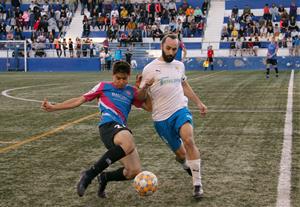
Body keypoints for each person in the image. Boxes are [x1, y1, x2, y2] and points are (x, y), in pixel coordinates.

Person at [41, 61, 153, 198]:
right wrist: (54, 107)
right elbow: (79, 100)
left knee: (134, 171)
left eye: (124, 79)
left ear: (129, 76)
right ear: (113, 76)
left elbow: (149, 107)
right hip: (108, 127)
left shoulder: (131, 91)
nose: (121, 82)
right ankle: (89, 174)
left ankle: (104, 177)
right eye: (118, 78)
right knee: (128, 141)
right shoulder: (103, 86)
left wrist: (143, 88)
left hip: (121, 130)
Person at [138, 34, 207, 199]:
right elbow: (141, 99)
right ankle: (184, 163)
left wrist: (198, 102)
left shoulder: (179, 66)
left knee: (189, 139)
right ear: (162, 46)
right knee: (181, 154)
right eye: (168, 48)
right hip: (161, 119)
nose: (171, 52)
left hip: (180, 110)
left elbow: (183, 84)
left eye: (174, 49)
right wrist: (144, 88)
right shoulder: (149, 69)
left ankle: (197, 184)